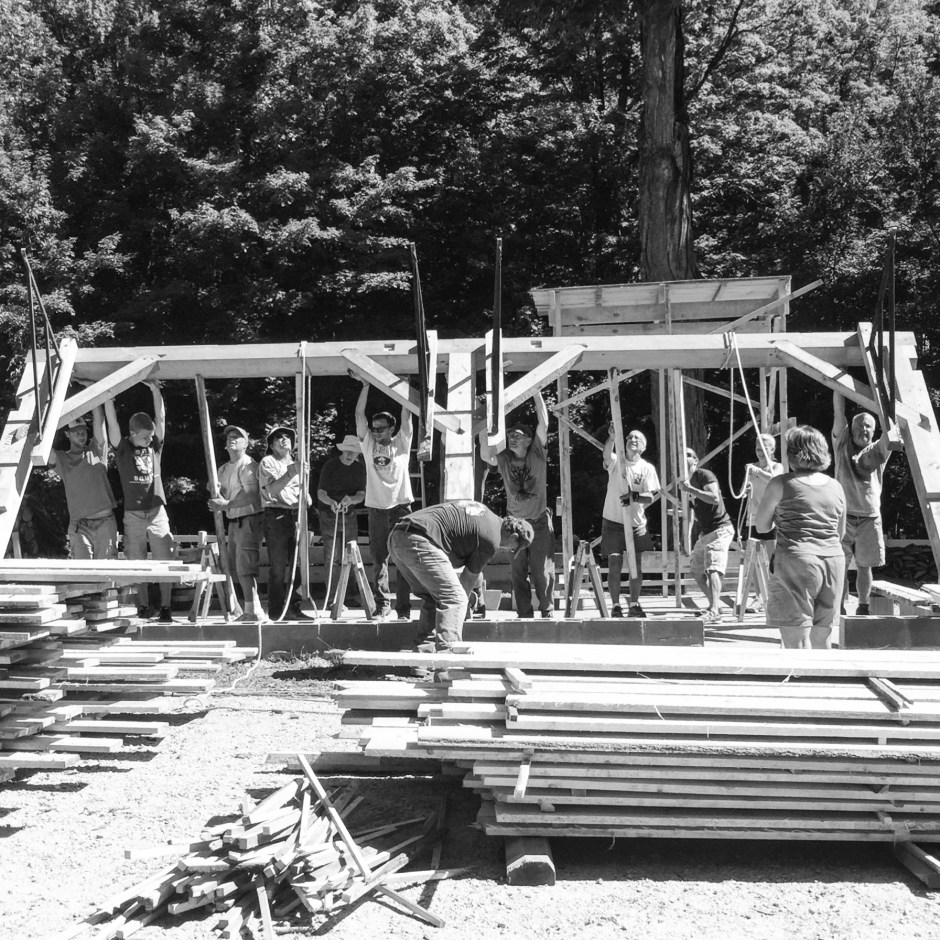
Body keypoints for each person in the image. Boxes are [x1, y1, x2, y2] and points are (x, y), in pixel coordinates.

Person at [387, 499, 533, 658]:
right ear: (513, 537)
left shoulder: (485, 515)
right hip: (419, 539)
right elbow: (467, 581)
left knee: (434, 597)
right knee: (455, 599)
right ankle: (449, 660)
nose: (508, 551)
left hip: (398, 536)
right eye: (513, 549)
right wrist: (462, 613)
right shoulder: (492, 540)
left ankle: (423, 658)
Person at [755, 425, 846, 649]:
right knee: (822, 637)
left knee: (796, 639)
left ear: (792, 453)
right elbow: (840, 532)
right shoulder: (836, 486)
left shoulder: (781, 483)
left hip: (796, 560)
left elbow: (762, 526)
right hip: (833, 561)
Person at [105, 380, 176, 622]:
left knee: (165, 559)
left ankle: (166, 607)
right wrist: (108, 397)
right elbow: (112, 424)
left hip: (156, 511)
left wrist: (156, 390)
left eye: (151, 436)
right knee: (137, 562)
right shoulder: (122, 448)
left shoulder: (155, 447)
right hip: (133, 514)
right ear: (132, 434)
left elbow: (161, 419)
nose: (149, 439)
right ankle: (144, 607)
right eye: (144, 436)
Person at [480, 392, 555, 618]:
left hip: (539, 522)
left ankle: (547, 611)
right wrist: (483, 419)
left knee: (542, 572)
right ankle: (524, 614)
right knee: (517, 573)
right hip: (515, 525)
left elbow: (544, 422)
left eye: (518, 436)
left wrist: (537, 391)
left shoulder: (537, 454)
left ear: (529, 440)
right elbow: (485, 454)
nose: (512, 438)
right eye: (510, 435)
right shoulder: (504, 458)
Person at [832, 392, 896, 615]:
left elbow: (891, 427)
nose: (863, 429)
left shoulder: (879, 450)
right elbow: (838, 412)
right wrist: (837, 386)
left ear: (874, 431)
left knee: (864, 565)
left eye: (868, 426)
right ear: (850, 429)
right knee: (839, 564)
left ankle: (863, 606)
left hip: (870, 517)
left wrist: (886, 399)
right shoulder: (842, 444)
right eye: (859, 425)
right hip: (843, 516)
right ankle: (838, 607)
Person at [355, 380, 414, 620]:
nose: (376, 432)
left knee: (404, 559)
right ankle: (382, 605)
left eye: (381, 429)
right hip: (377, 508)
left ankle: (404, 609)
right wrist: (365, 386)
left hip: (401, 507)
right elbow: (359, 415)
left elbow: (407, 413)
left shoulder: (402, 443)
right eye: (374, 429)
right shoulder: (368, 444)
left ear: (392, 429)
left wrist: (404, 389)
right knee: (379, 559)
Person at [601, 427, 660, 617]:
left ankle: (634, 604)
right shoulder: (617, 462)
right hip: (613, 521)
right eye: (630, 437)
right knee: (614, 563)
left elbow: (650, 496)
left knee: (635, 566)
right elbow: (606, 455)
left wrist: (634, 497)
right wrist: (612, 438)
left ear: (643, 447)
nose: (632, 439)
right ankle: (616, 606)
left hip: (636, 524)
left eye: (637, 438)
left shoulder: (647, 468)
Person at [209, 425, 266, 623]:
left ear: (246, 444)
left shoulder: (248, 465)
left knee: (245, 568)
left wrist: (226, 504)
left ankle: (254, 611)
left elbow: (251, 494)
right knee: (234, 567)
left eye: (237, 437)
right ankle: (247, 609)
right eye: (229, 437)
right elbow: (224, 495)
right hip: (233, 521)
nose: (232, 439)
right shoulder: (223, 469)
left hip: (249, 519)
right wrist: (215, 495)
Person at [49, 407, 118, 560]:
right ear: (67, 434)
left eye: (83, 432)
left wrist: (93, 397)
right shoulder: (62, 459)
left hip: (105, 523)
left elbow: (99, 420)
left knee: (107, 571)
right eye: (76, 432)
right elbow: (43, 446)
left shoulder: (97, 451)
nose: (81, 435)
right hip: (79, 526)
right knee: (82, 571)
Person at [679, 448, 734, 624]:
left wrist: (691, 489)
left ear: (696, 460)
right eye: (682, 455)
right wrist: (686, 539)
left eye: (688, 455)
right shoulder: (686, 483)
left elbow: (714, 498)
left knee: (713, 568)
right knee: (696, 571)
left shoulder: (704, 475)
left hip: (720, 529)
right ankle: (714, 606)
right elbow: (690, 514)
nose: (684, 457)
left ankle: (715, 610)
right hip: (706, 532)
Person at [317, 433, 367, 607]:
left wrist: (351, 500)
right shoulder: (330, 466)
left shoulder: (359, 468)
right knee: (332, 557)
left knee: (351, 554)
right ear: (342, 450)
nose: (349, 454)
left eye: (353, 451)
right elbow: (321, 492)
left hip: (349, 514)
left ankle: (349, 595)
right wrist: (331, 502)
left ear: (358, 453)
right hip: (329, 514)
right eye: (347, 450)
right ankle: (332, 599)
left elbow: (361, 494)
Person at [259, 426, 302, 620]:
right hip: (276, 515)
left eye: (287, 437)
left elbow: (301, 489)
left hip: (296, 515)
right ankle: (276, 611)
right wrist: (290, 473)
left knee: (297, 565)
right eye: (278, 437)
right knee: (278, 566)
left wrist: (306, 496)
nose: (284, 439)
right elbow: (272, 490)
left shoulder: (297, 463)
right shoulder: (268, 462)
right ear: (271, 444)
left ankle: (295, 608)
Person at [739, 432, 784, 611]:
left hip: (772, 519)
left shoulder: (777, 467)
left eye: (764, 448)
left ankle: (776, 595)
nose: (760, 452)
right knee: (754, 560)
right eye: (758, 448)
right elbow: (744, 490)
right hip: (753, 518)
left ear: (772, 450)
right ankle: (759, 597)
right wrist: (746, 488)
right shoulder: (752, 468)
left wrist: (757, 472)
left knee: (773, 559)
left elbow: (775, 480)